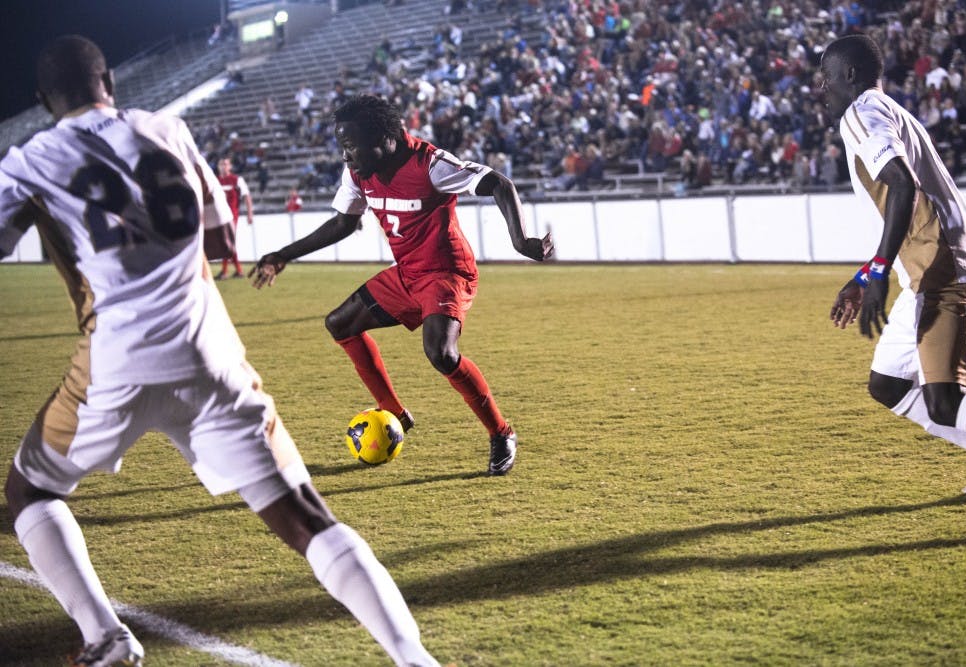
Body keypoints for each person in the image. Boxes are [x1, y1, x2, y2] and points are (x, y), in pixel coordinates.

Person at [0, 36, 439, 667]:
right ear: (111, 84)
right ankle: (414, 659)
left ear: (45, 101)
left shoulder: (34, 156)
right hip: (209, 351)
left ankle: (107, 637)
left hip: (115, 358)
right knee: (307, 519)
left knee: (30, 490)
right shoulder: (166, 129)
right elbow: (220, 236)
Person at [250, 95, 554, 475]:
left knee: (441, 353)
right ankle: (395, 412)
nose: (345, 155)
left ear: (384, 136)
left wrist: (520, 240)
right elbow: (343, 223)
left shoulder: (429, 164)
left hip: (446, 273)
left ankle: (501, 432)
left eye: (351, 145)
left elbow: (498, 183)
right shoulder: (359, 171)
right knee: (339, 324)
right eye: (341, 146)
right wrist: (283, 254)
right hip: (406, 273)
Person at [824, 34, 966, 494]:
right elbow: (910, 207)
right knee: (888, 385)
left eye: (825, 78)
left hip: (943, 270)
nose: (821, 89)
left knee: (945, 402)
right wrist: (866, 275)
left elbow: (903, 188)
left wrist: (880, 272)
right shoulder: (888, 111)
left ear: (848, 75)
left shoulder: (861, 112)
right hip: (932, 268)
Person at [213, 156, 253, 279]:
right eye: (221, 164)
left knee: (227, 242)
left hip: (231, 216)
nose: (223, 167)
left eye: (226, 164)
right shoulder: (215, 181)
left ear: (230, 166)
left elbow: (246, 196)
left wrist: (249, 213)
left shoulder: (236, 180)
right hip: (219, 216)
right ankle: (239, 271)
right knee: (227, 243)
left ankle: (225, 272)